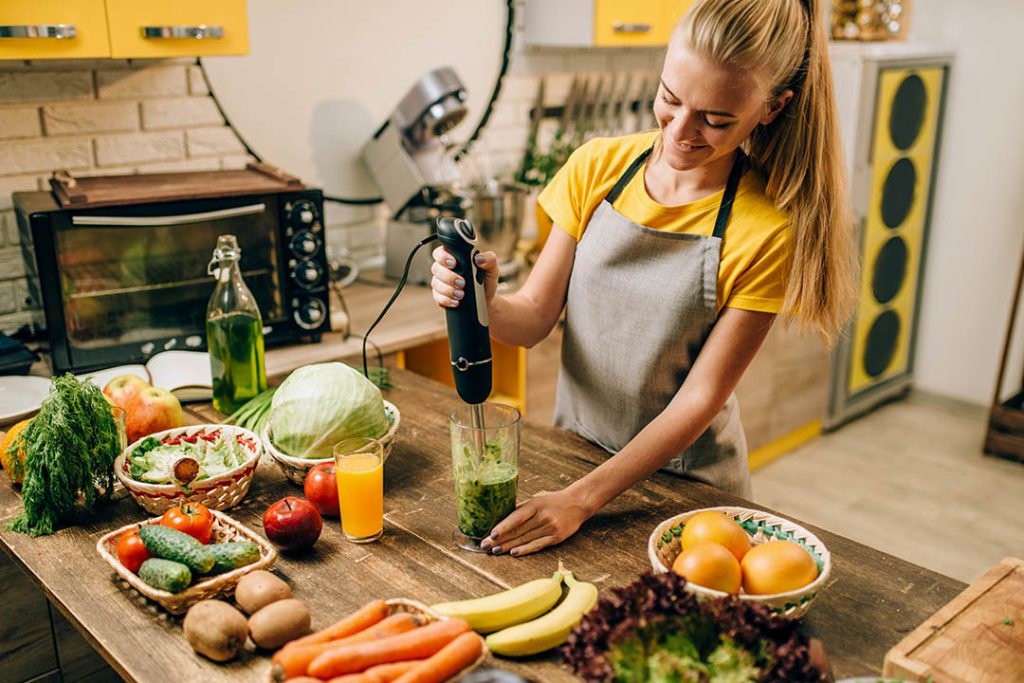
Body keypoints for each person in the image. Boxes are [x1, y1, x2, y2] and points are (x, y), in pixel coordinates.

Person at [430, 0, 857, 556]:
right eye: (670, 99)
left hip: (684, 498)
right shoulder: (597, 168)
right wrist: (486, 301)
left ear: (772, 109)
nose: (681, 131)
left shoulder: (766, 228)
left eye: (715, 119)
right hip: (575, 463)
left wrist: (582, 501)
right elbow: (532, 318)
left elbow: (699, 400)